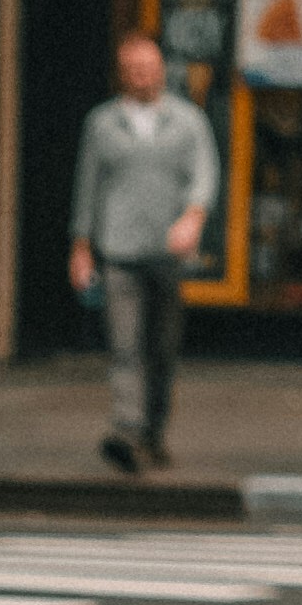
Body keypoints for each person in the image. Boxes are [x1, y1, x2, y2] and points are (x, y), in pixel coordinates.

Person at [67, 27, 221, 475]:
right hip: (119, 250)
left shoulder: (188, 121)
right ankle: (128, 430)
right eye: (133, 69)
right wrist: (81, 245)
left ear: (162, 70)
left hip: (168, 253)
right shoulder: (102, 123)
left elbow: (205, 177)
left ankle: (154, 430)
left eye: (149, 68)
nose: (141, 76)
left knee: (162, 348)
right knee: (125, 345)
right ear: (121, 74)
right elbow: (88, 186)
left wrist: (192, 219)